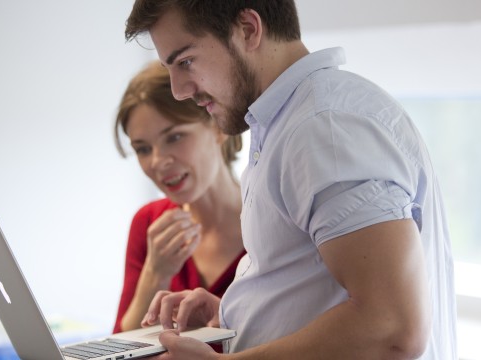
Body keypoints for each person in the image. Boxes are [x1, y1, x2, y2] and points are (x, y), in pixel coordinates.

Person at [125, 1, 457, 359]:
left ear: (249, 29)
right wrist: (236, 311)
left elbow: (390, 328)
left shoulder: (324, 128)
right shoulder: (288, 124)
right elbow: (323, 291)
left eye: (185, 61)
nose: (179, 90)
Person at [112, 60, 246, 336]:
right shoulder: (148, 222)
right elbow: (119, 345)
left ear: (218, 127)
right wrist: (155, 274)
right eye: (143, 148)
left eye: (174, 137)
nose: (158, 162)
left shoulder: (273, 219)